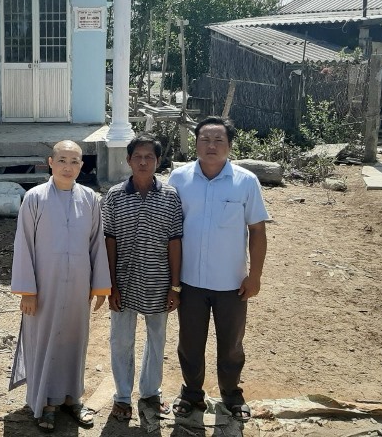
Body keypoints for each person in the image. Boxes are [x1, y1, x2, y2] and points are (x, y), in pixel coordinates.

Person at [167, 116, 269, 423]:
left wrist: (255, 276)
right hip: (190, 281)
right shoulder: (179, 179)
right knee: (189, 343)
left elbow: (257, 230)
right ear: (195, 143)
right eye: (205, 140)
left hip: (231, 283)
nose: (211, 146)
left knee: (231, 345)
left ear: (229, 145)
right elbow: (170, 231)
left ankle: (232, 395)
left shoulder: (246, 181)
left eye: (218, 140)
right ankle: (191, 393)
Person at [10, 140, 111, 432]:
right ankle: (45, 402)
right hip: (44, 286)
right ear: (51, 163)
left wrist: (99, 286)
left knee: (75, 340)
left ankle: (71, 397)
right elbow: (23, 244)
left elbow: (97, 243)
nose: (68, 167)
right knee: (44, 340)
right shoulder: (35, 198)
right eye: (62, 160)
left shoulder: (90, 199)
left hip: (79, 284)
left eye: (74, 161)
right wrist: (28, 291)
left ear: (82, 166)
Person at [102, 133, 183, 426]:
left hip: (158, 282)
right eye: (137, 156)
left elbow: (175, 242)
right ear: (128, 160)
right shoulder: (114, 196)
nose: (143, 162)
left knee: (157, 339)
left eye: (149, 157)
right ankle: (123, 396)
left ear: (158, 161)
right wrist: (110, 285)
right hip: (123, 282)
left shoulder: (170, 196)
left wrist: (175, 286)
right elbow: (108, 241)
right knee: (121, 341)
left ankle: (150, 393)